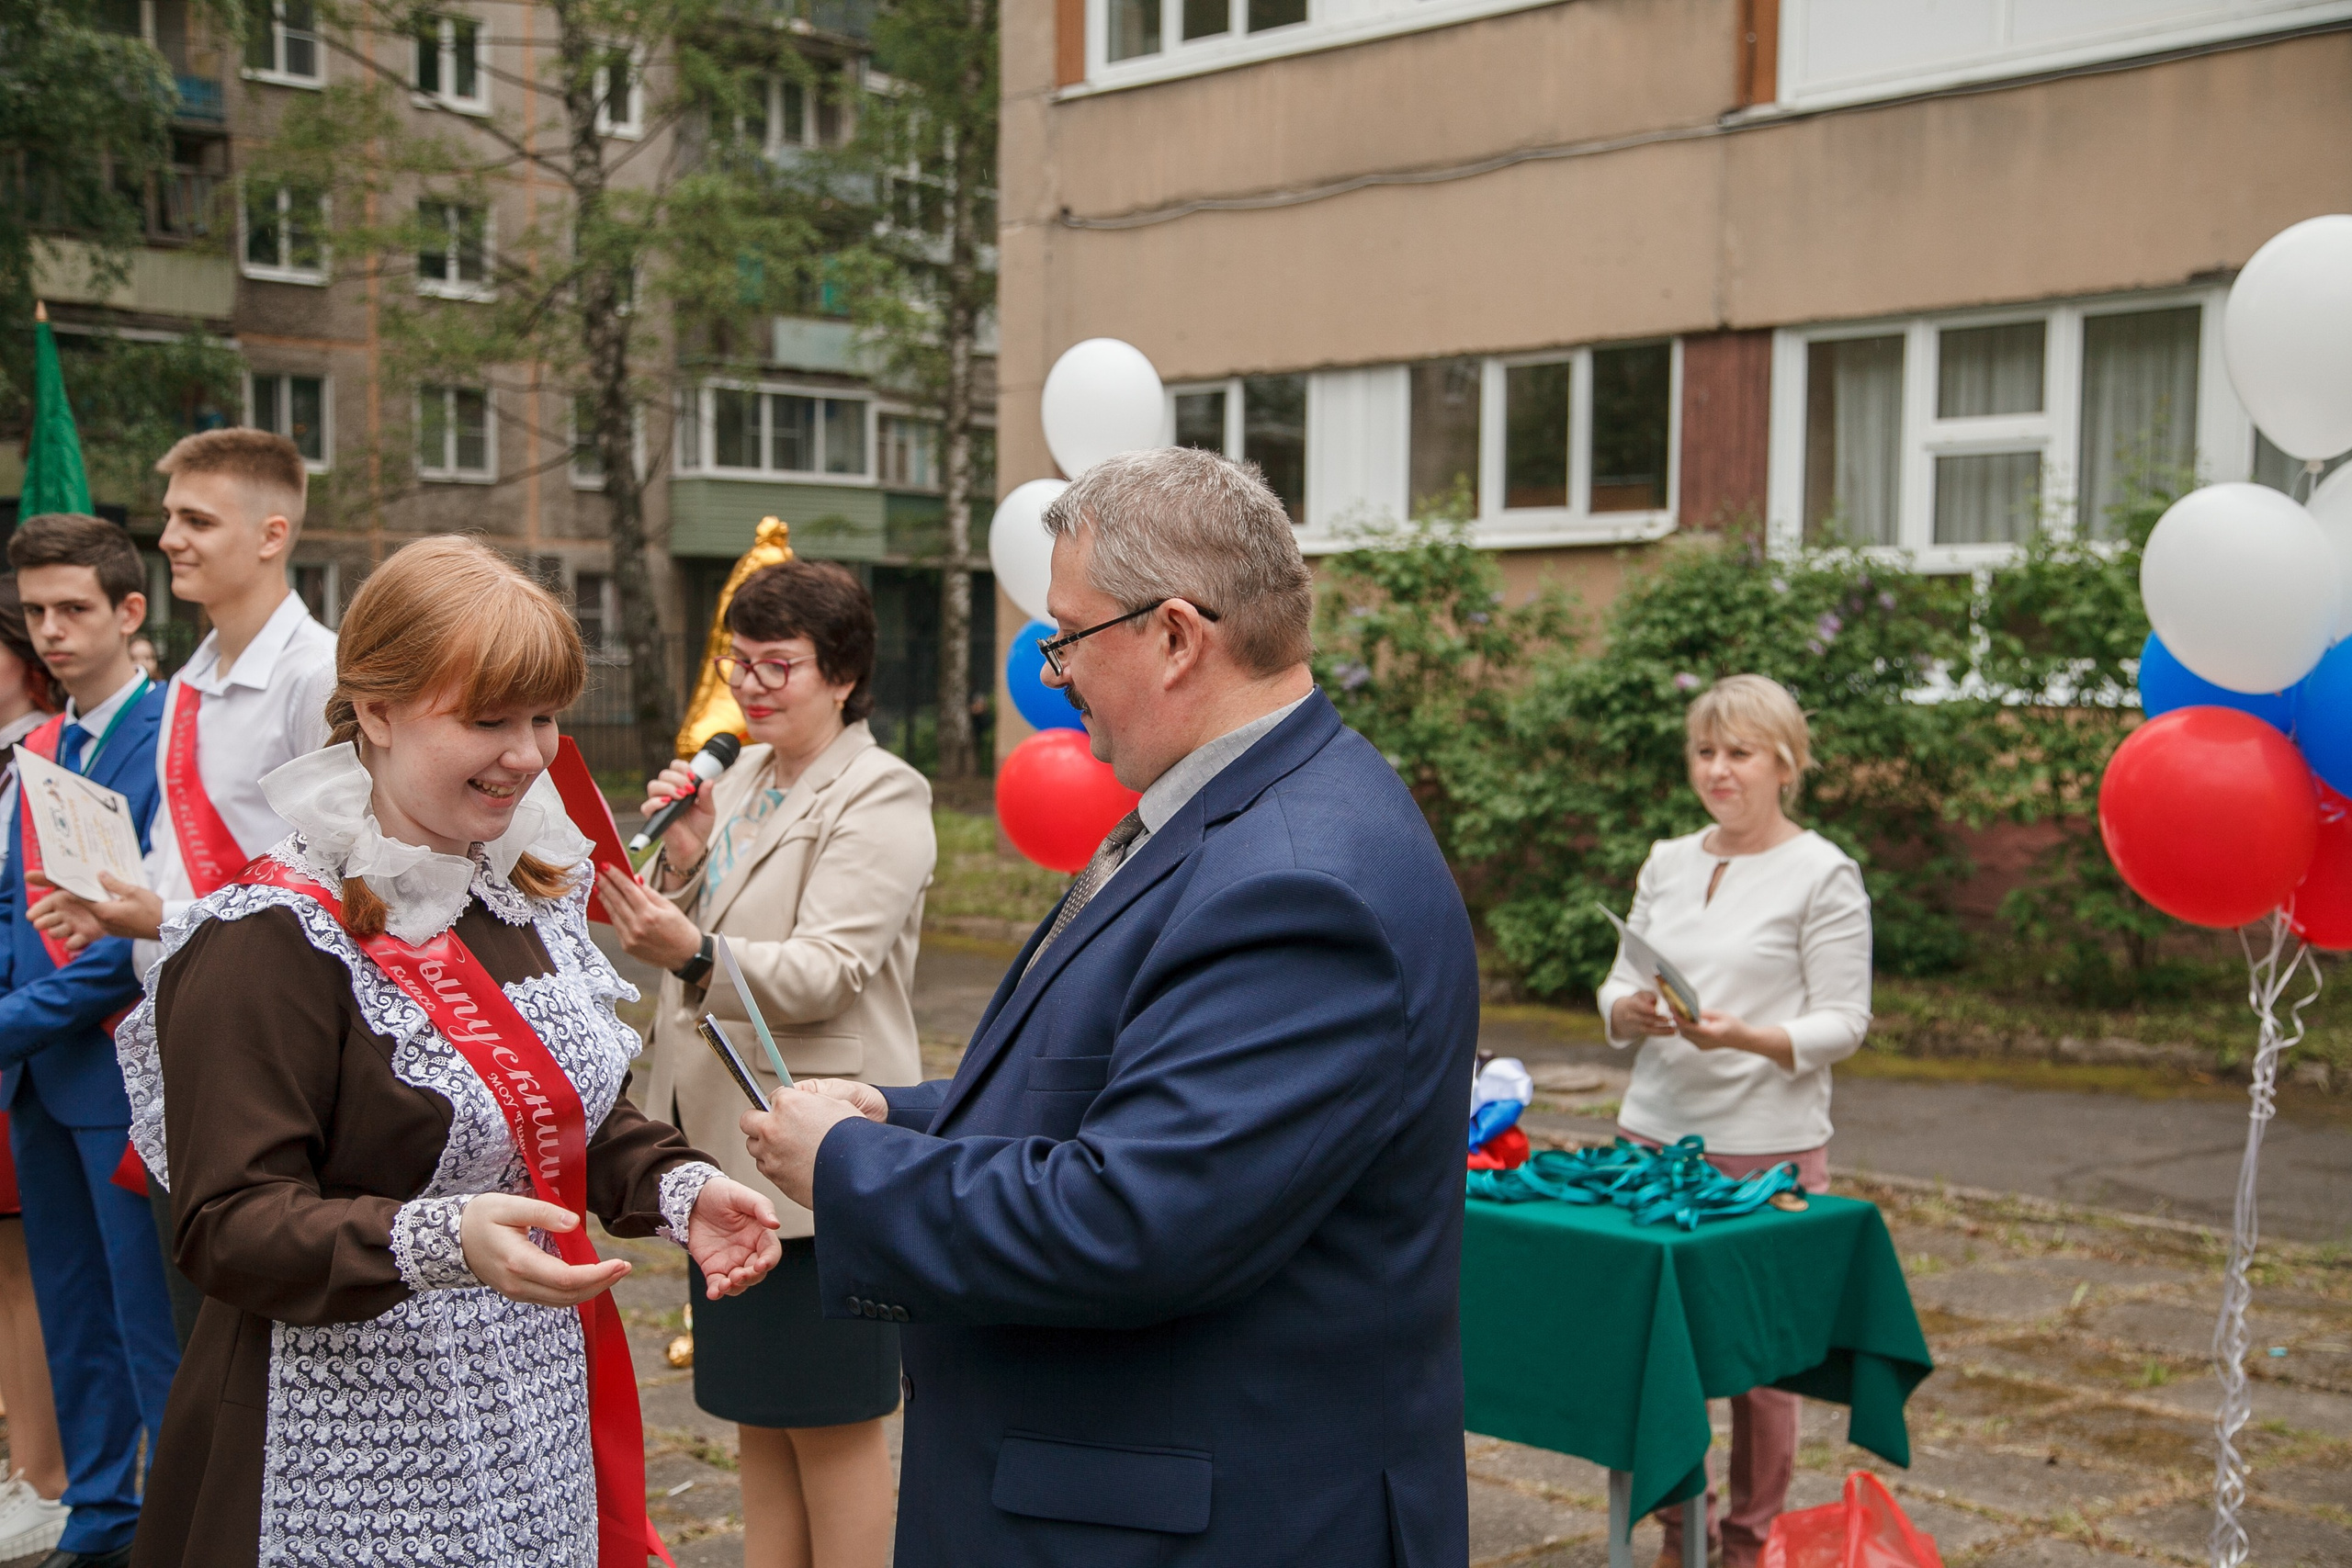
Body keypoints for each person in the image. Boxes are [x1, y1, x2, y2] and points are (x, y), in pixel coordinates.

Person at [737, 446, 1481, 1567]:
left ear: (1176, 636)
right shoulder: (1240, 810)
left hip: (1203, 1525)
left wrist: (851, 1168)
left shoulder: (1296, 880)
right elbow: (1128, 1090)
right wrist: (906, 1115)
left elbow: (1136, 1220)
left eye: (1069, 636)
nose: (1055, 673)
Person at [114, 536, 784, 1568]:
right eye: (489, 719)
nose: (529, 754)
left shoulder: (519, 892)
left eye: (543, 717)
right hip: (342, 1449)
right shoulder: (268, 938)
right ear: (376, 712)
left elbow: (559, 1109)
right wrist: (439, 1239)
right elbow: (227, 1224)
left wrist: (679, 1187)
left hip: (528, 1422)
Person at [597, 559, 934, 1568]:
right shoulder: (738, 776)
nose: (749, 685)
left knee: (833, 1427)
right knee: (758, 1419)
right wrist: (686, 857)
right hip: (721, 1149)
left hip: (817, 1163)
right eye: (738, 662)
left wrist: (696, 951)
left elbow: (830, 970)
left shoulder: (882, 790)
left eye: (777, 665)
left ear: (844, 673)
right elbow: (694, 922)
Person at [33, 429, 338, 1350]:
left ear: (272, 534)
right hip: (182, 1027)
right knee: (193, 1329)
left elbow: (339, 883)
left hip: (277, 1040)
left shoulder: (315, 674)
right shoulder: (194, 675)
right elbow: (177, 853)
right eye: (170, 517)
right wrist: (112, 908)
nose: (169, 538)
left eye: (197, 520)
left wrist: (158, 916)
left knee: (262, 1329)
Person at [1596, 673, 1873, 1568]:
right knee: (1654, 1359)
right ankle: (1683, 1531)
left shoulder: (1823, 872)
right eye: (1705, 751)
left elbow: (1845, 1022)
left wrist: (1745, 1036)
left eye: (1740, 753)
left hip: (1765, 1154)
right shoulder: (1668, 858)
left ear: (1786, 764)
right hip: (1651, 1140)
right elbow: (1617, 979)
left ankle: (1750, 1543)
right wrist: (1626, 1010)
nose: (1718, 769)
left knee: (1760, 1369)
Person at [0, 513, 175, 1568]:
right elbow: (14, 906)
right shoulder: (43, 744)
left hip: (120, 1070)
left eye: (73, 609)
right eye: (35, 613)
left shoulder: (170, 732)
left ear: (129, 610)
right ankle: (102, 1514)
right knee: (72, 1311)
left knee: (145, 1316)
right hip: (37, 1076)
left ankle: (178, 1525)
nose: (52, 632)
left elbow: (133, 936)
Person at [0, 579, 69, 1562]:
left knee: (28, 1269)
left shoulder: (40, 764)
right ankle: (31, 1467)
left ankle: (45, 1478)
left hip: (30, 1037)